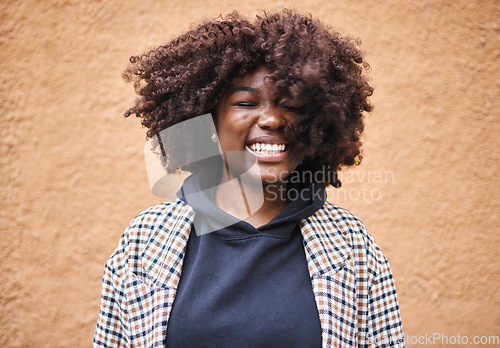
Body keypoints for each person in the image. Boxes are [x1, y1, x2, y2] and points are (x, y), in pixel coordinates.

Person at [94, 9, 404, 348]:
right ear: (208, 122)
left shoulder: (351, 245)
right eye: (245, 102)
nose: (271, 119)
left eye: (292, 106)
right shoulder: (145, 241)